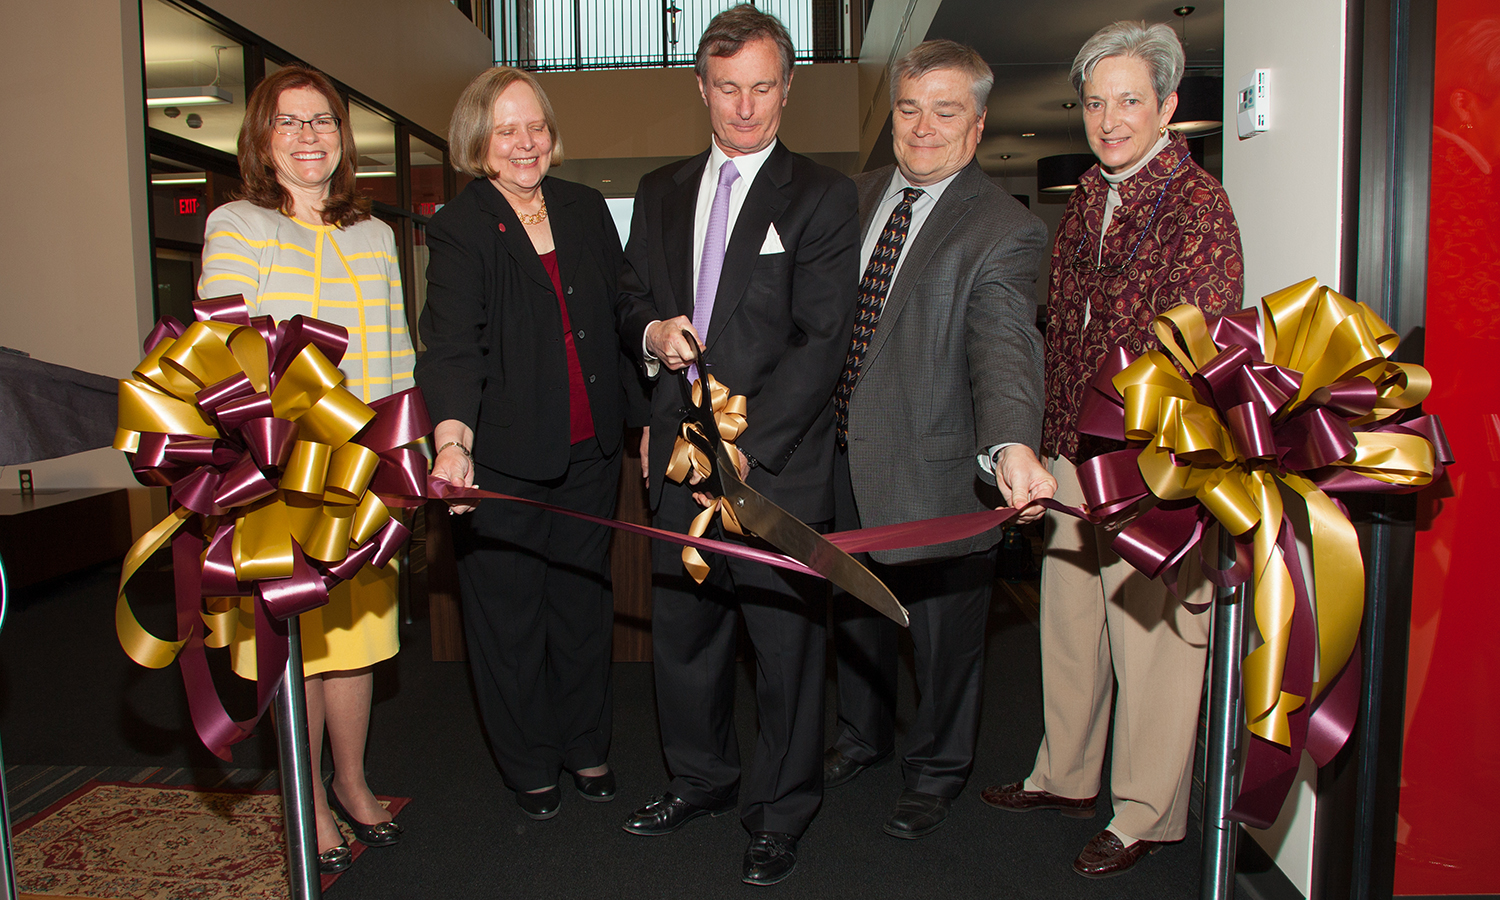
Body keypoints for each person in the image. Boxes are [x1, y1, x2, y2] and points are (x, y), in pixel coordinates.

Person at [979, 21, 1243, 879]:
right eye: (1096, 102)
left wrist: (1122, 454)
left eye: (1130, 100)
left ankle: (1147, 814)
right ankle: (1065, 775)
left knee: (1153, 642)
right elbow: (1064, 329)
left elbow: (1191, 347)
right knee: (1068, 623)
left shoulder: (1198, 203)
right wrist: (1052, 444)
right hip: (1069, 449)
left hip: (1147, 458)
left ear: (1167, 105)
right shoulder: (1089, 196)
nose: (1110, 118)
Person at [615, 4, 859, 887]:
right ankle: (700, 780)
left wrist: (746, 445)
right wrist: (650, 332)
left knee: (786, 647)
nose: (745, 107)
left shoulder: (826, 196)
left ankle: (780, 811)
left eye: (762, 88)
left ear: (787, 90)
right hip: (677, 460)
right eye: (727, 88)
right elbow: (628, 295)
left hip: (777, 468)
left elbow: (821, 340)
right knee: (684, 634)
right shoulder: (659, 189)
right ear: (701, 89)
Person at [822, 39, 1054, 841]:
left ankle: (938, 767)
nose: (923, 128)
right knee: (855, 614)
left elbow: (1004, 348)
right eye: (910, 108)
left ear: (979, 124)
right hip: (839, 460)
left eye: (945, 111)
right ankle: (862, 734)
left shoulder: (1003, 229)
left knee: (947, 639)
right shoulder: (848, 199)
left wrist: (1013, 445)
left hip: (939, 473)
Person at [198, 63, 413, 874]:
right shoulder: (238, 224)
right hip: (280, 471)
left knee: (355, 640)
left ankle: (354, 785)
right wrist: (282, 441)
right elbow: (227, 348)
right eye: (289, 122)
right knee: (297, 644)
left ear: (341, 135)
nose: (308, 135)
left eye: (321, 120)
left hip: (361, 469)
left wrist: (405, 456)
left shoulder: (376, 234)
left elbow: (394, 356)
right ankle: (308, 800)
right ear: (262, 138)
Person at [415, 67, 645, 821]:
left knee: (582, 606)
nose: (525, 143)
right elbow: (450, 346)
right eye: (506, 129)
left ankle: (586, 745)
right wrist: (452, 441)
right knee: (508, 619)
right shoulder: (461, 225)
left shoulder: (584, 209)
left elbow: (617, 313)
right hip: (503, 464)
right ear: (479, 143)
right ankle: (528, 761)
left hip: (590, 454)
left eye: (535, 127)